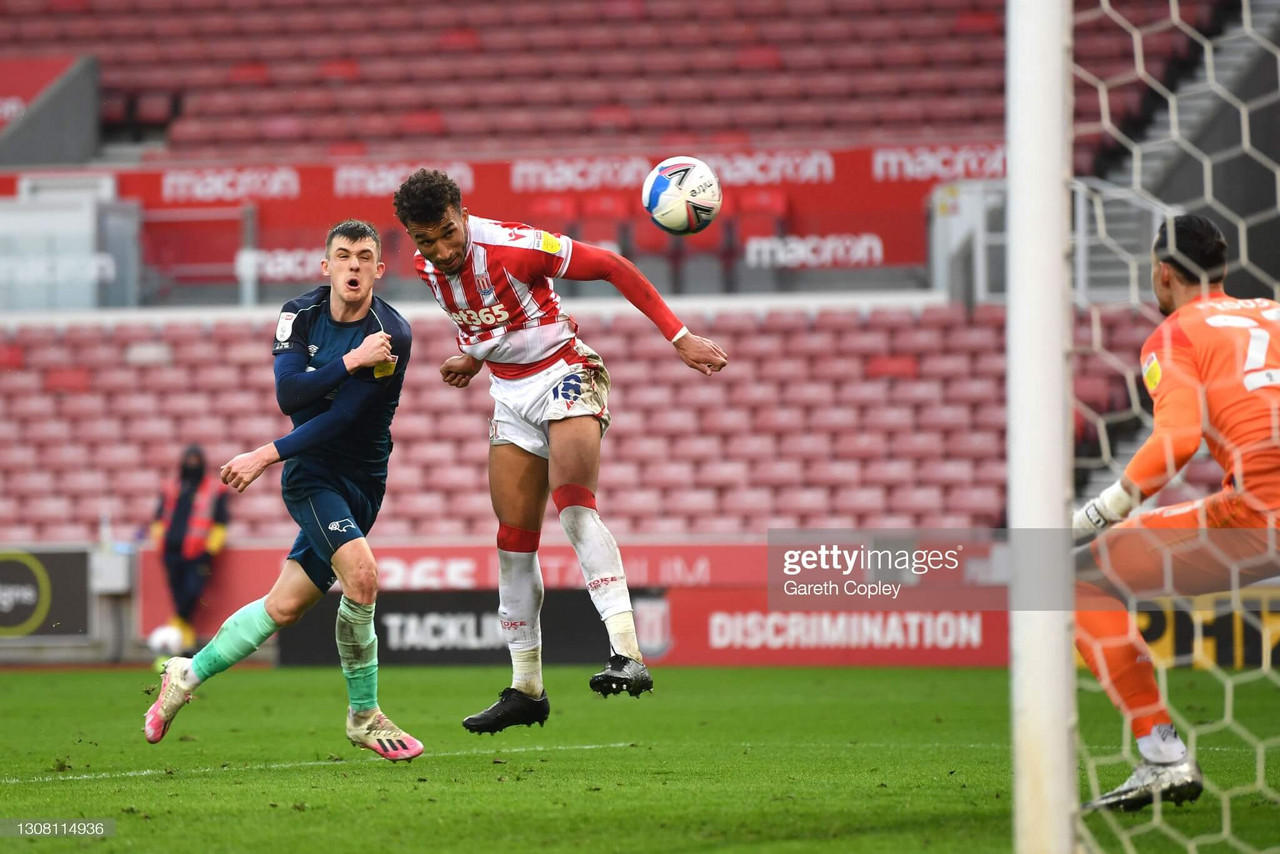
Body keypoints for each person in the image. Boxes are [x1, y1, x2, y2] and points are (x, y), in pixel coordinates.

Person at [392, 169, 728, 735]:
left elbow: (613, 266)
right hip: (509, 394)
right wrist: (472, 359)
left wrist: (680, 337)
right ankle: (527, 688)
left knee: (574, 506)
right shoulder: (429, 267)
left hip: (566, 372)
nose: (443, 249)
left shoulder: (515, 245)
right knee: (512, 542)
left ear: (462, 212)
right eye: (427, 240)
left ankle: (628, 653)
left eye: (449, 232)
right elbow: (488, 318)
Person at [143, 220, 422, 763]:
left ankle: (184, 674)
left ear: (379, 270)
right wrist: (348, 362)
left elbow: (342, 417)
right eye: (344, 256)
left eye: (366, 257)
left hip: (365, 481)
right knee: (362, 578)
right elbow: (289, 393)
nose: (355, 266)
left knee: (285, 607)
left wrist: (264, 452)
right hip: (311, 476)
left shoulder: (394, 336)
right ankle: (364, 716)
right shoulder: (299, 316)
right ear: (327, 266)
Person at [1072, 214, 1280, 810]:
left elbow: (1178, 440)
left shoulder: (1177, 333)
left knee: (1081, 578)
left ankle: (1161, 755)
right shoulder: (1271, 311)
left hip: (1261, 515)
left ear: (1163, 273)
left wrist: (1097, 514)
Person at [151, 444, 230, 653]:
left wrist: (209, 550)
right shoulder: (171, 487)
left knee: (192, 593)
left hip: (198, 553)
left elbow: (221, 522)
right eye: (189, 461)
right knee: (178, 596)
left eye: (195, 462)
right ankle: (183, 643)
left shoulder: (214, 489)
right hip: (171, 551)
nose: (192, 466)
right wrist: (159, 542)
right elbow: (159, 518)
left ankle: (174, 634)